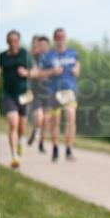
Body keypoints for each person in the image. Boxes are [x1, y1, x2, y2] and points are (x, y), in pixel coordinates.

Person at [37, 28, 80, 162]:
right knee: (55, 121)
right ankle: (55, 147)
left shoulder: (73, 53)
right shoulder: (48, 56)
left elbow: (78, 68)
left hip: (68, 90)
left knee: (70, 116)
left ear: (65, 38)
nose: (61, 40)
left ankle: (68, 149)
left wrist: (76, 70)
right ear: (55, 39)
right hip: (53, 91)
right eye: (58, 37)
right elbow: (40, 74)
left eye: (63, 37)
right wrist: (52, 71)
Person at [0, 30, 32, 169]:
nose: (13, 43)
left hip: (24, 94)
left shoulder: (25, 54)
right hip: (8, 94)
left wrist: (27, 72)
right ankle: (14, 156)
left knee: (22, 127)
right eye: (10, 40)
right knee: (13, 124)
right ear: (7, 42)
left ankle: (19, 142)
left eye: (15, 40)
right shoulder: (2, 57)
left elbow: (35, 71)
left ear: (19, 41)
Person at [26, 35, 52, 153]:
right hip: (36, 91)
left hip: (49, 92)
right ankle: (34, 131)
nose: (39, 47)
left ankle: (41, 142)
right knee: (39, 116)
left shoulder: (51, 57)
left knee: (46, 120)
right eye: (36, 45)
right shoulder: (31, 57)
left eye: (41, 45)